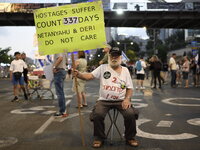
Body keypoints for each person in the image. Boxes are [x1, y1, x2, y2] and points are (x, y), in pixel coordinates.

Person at [74, 47, 138, 148]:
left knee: (130, 114)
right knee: (98, 114)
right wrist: (79, 75)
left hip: (121, 100)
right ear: (109, 56)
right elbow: (90, 76)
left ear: (120, 57)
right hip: (104, 101)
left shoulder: (125, 70)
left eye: (117, 55)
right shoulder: (102, 67)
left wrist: (127, 99)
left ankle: (130, 137)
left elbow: (129, 88)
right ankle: (99, 138)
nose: (114, 58)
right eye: (112, 55)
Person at [53, 53, 68, 117]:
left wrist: (54, 67)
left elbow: (60, 58)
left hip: (58, 71)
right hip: (62, 70)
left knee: (59, 93)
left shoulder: (58, 49)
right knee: (61, 92)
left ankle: (62, 111)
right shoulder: (64, 50)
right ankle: (63, 110)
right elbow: (66, 62)